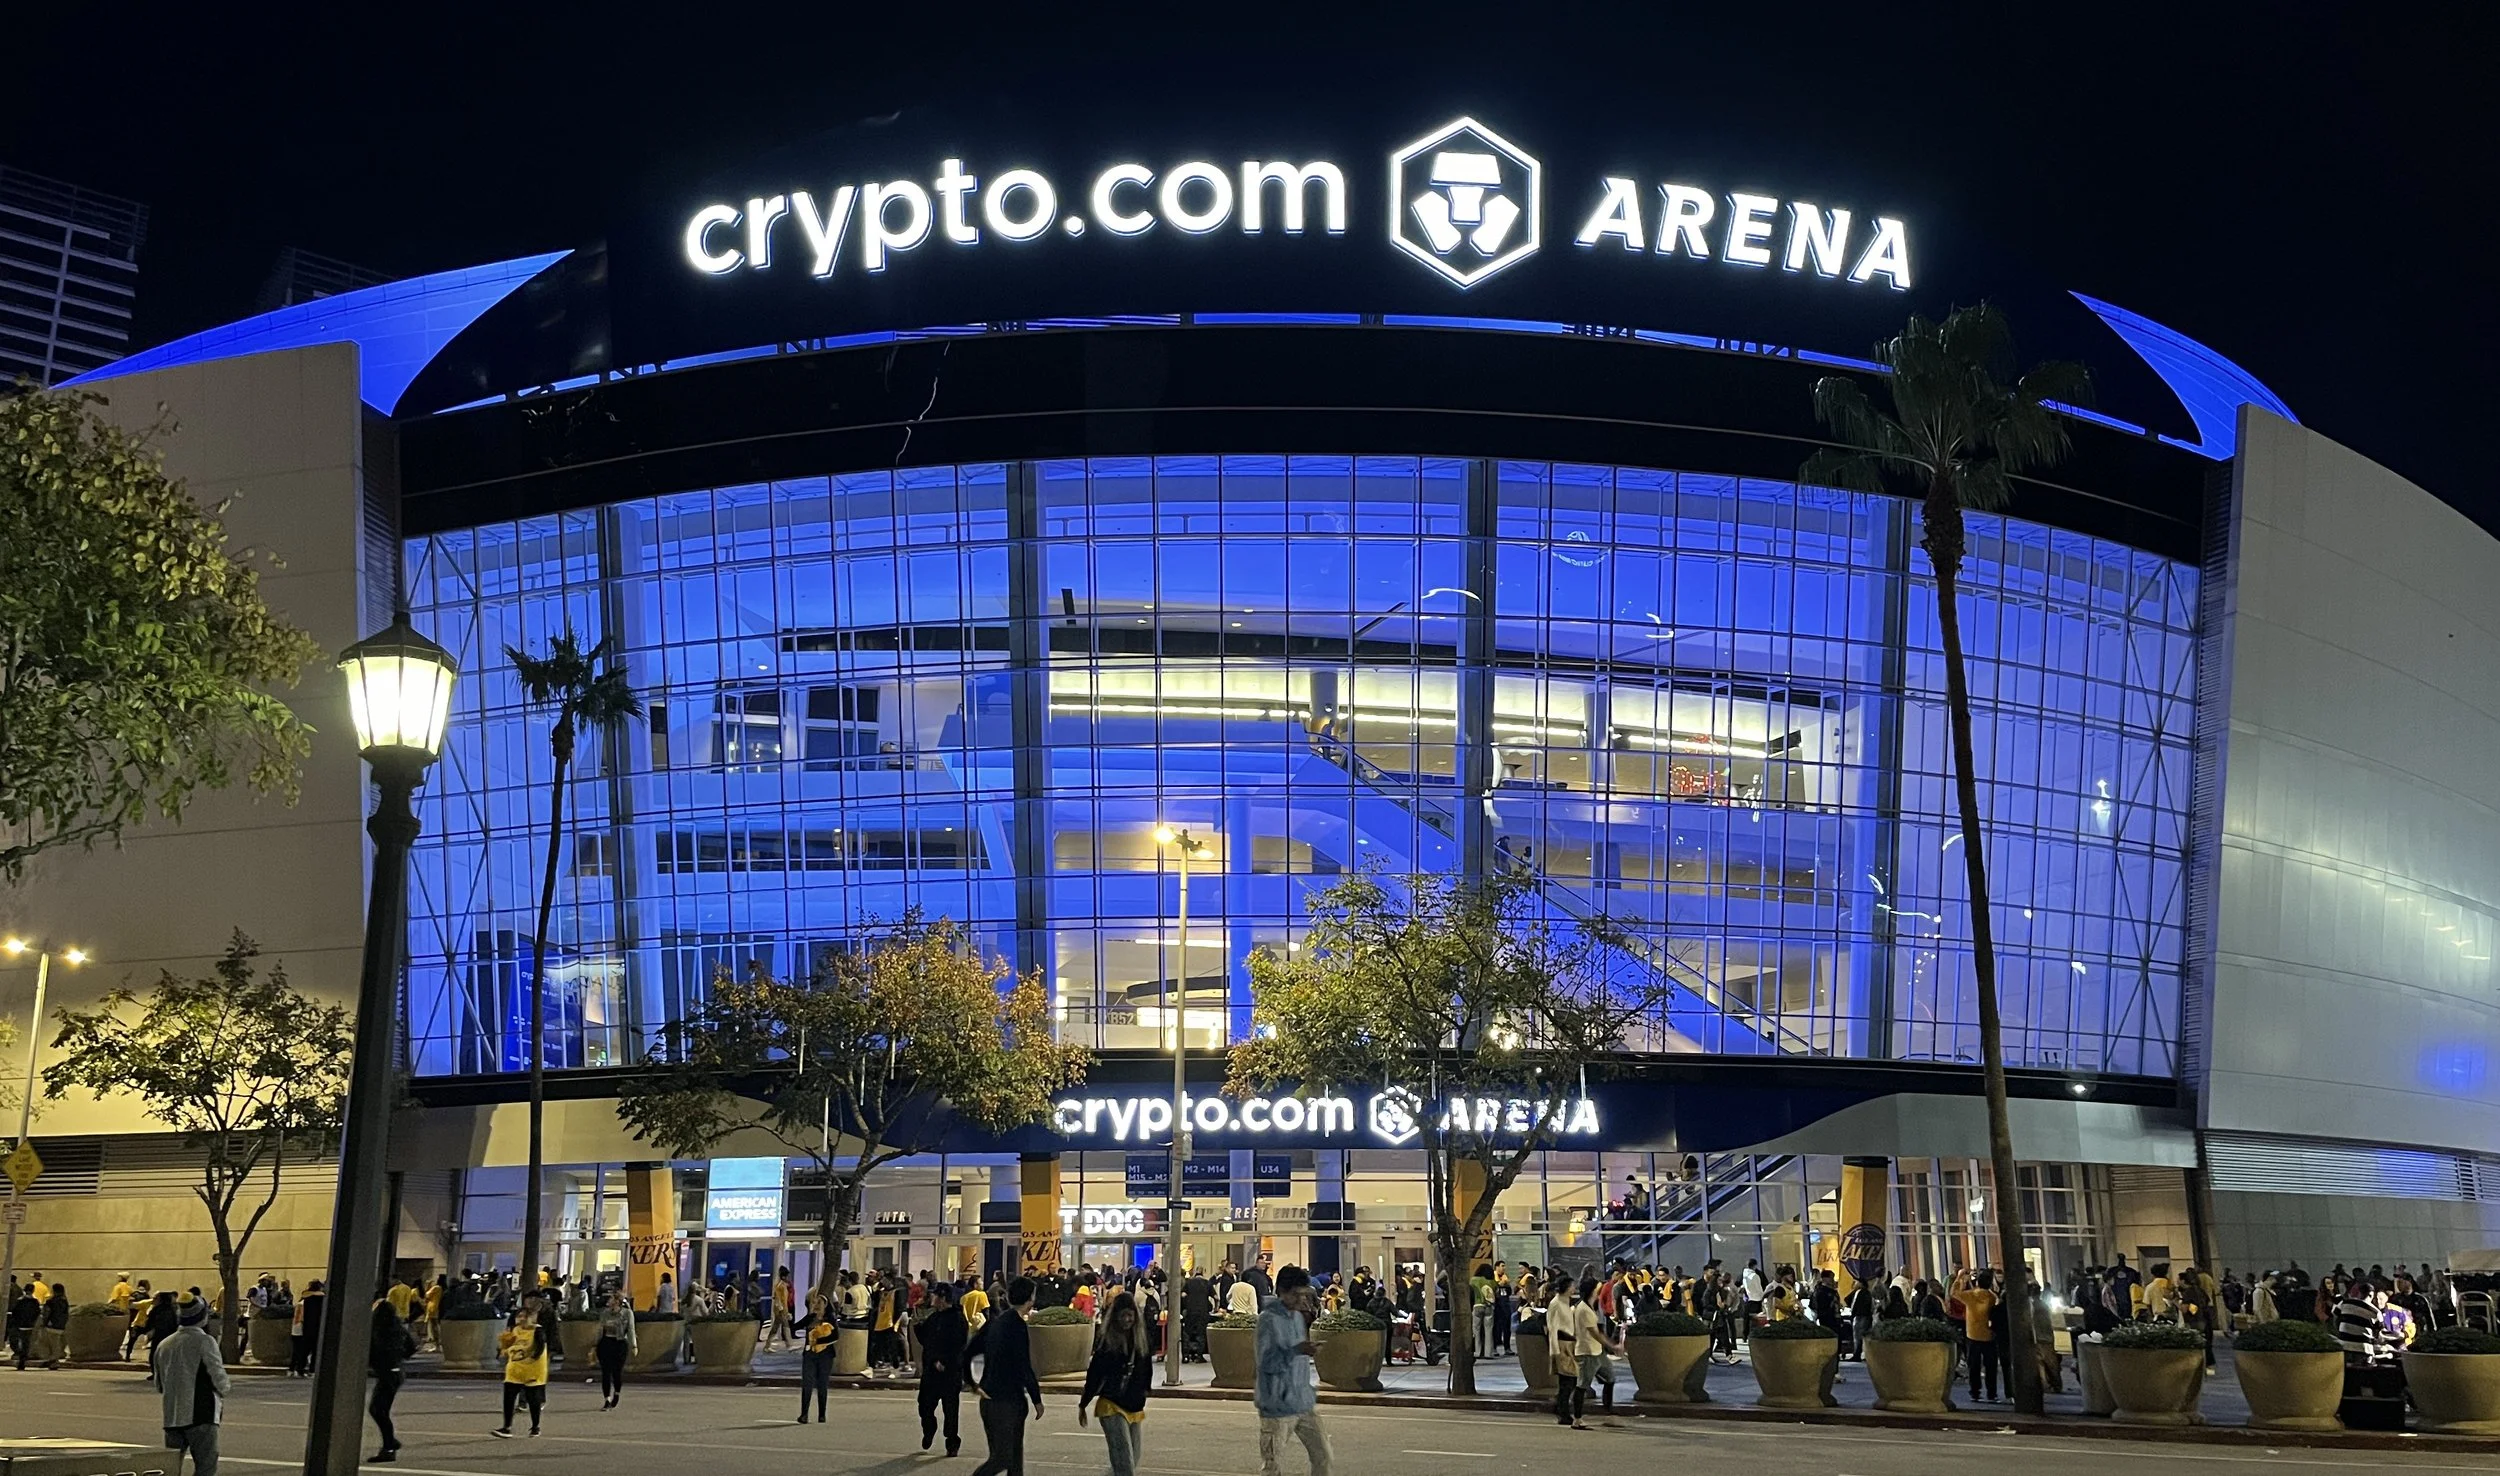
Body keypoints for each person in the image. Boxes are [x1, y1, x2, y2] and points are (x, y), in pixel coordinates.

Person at [1255, 1266, 1329, 1476]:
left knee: (1323, 1456)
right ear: (1281, 1291)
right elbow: (1266, 1362)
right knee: (1272, 1466)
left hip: (1302, 1400)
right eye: (1295, 1294)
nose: (1300, 1300)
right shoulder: (1268, 1320)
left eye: (1304, 1294)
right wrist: (1297, 1350)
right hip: (1277, 1403)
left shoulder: (1297, 1318)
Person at [967, 1276, 1043, 1476]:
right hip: (1008, 1400)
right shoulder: (1017, 1326)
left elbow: (968, 1351)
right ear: (1029, 1299)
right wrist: (1036, 1398)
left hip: (991, 1397)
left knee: (1011, 1458)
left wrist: (973, 1383)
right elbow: (1023, 1365)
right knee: (1006, 1458)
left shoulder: (995, 1322)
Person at [1078, 1292, 1153, 1476]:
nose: (1127, 1320)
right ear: (1115, 1317)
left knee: (1132, 1460)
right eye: (1123, 1316)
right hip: (1112, 1405)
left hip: (1134, 1406)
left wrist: (1145, 1392)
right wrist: (1084, 1403)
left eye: (1130, 1315)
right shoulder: (1107, 1343)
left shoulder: (1141, 1340)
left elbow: (1146, 1369)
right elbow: (1095, 1374)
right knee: (1124, 1465)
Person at [158, 1296, 229, 1476]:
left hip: (172, 1417)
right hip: (201, 1415)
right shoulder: (205, 1341)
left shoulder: (164, 1345)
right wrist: (225, 1390)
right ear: (202, 1316)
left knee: (171, 1469)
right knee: (206, 1466)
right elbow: (218, 1376)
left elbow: (159, 1384)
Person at [911, 1282, 967, 1450]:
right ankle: (929, 1429)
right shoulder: (934, 1317)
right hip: (931, 1371)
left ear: (943, 1298)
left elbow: (958, 1344)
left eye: (935, 1295)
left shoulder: (957, 1318)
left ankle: (951, 1441)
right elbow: (926, 1340)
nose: (932, 1298)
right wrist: (917, 1326)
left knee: (950, 1409)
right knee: (925, 1405)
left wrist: (944, 1361)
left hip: (949, 1371)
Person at [1546, 1275, 1601, 1429]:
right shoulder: (1556, 1303)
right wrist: (1556, 1348)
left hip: (1570, 1343)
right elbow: (1553, 1327)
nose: (1573, 1289)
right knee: (1567, 1381)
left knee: (1568, 1381)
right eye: (1571, 1286)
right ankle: (1562, 1412)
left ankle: (1561, 1409)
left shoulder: (1566, 1302)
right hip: (1563, 1344)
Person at [489, 1305, 551, 1438]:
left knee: (533, 1400)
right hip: (515, 1369)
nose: (522, 1319)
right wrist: (504, 1346)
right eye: (519, 1316)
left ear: (532, 1318)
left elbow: (539, 1349)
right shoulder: (515, 1330)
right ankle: (507, 1427)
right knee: (509, 1398)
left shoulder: (538, 1331)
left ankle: (535, 1427)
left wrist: (529, 1358)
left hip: (532, 1370)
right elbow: (507, 1346)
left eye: (525, 1316)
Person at [368, 1299, 415, 1463]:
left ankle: (389, 1446)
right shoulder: (397, 1328)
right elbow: (411, 1347)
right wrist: (399, 1357)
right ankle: (389, 1443)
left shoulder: (378, 1330)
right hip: (396, 1372)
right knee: (379, 1410)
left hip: (387, 1373)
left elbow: (374, 1351)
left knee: (378, 1410)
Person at [1960, 1270, 2001, 1402]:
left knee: (1974, 1366)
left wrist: (1960, 1278)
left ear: (1977, 1282)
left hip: (1972, 1335)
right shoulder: (1992, 1297)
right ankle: (1992, 1393)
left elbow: (1954, 1293)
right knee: (1991, 1366)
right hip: (1989, 1335)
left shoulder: (1971, 1295)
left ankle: (1975, 1392)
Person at [594, 1287, 636, 1411]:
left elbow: (631, 1329)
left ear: (617, 1301)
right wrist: (594, 1345)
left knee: (617, 1372)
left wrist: (634, 1345)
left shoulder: (627, 1313)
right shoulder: (605, 1313)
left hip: (619, 1344)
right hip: (606, 1343)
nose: (609, 1301)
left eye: (612, 1298)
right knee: (605, 1373)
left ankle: (616, 1393)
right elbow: (600, 1329)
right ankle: (607, 1399)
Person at [290, 1280, 326, 1378]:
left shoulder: (307, 1300)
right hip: (318, 1327)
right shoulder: (323, 1300)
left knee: (304, 1350)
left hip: (307, 1327)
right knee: (315, 1351)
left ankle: (299, 1369)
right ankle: (312, 1370)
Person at [7, 1280, 38, 1370]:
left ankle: (20, 1356)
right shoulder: (35, 1302)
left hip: (19, 1325)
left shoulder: (20, 1301)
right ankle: (22, 1359)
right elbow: (36, 1313)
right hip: (29, 1326)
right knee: (25, 1344)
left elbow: (15, 1312)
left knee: (14, 1341)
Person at [39, 1282, 70, 1367]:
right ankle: (53, 1359)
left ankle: (53, 1360)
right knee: (57, 1343)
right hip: (61, 1325)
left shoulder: (51, 1301)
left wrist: (44, 1322)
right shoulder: (64, 1301)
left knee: (51, 1344)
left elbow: (46, 1312)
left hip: (51, 1324)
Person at [124, 1280, 155, 1360]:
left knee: (132, 1339)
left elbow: (130, 1305)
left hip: (136, 1320)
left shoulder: (134, 1294)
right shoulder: (147, 1297)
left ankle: (127, 1356)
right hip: (146, 1322)